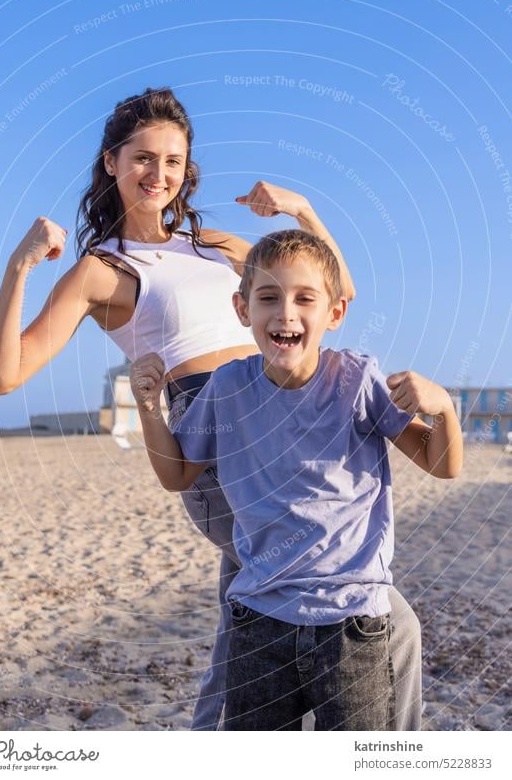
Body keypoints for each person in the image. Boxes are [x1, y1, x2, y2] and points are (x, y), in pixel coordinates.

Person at [0, 86, 421, 731]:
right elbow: (2, 377)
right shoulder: (103, 271)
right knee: (384, 617)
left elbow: (336, 292)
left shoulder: (214, 244)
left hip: (291, 418)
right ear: (111, 162)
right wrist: (19, 268)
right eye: (142, 158)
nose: (157, 174)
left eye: (172, 160)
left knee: (250, 616)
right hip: (215, 445)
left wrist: (303, 211)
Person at [129, 230, 463, 730]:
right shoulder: (227, 387)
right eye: (268, 297)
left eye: (305, 298)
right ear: (242, 310)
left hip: (353, 625)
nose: (286, 312)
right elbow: (177, 473)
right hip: (260, 622)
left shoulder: (358, 381)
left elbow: (443, 464)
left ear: (334, 313)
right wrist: (149, 408)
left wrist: (445, 410)